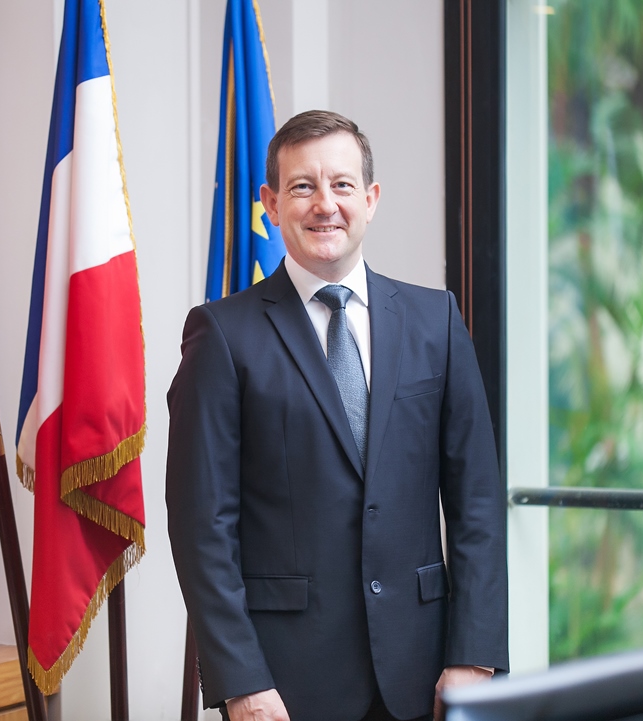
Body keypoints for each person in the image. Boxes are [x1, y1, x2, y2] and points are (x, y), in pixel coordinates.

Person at [165, 110, 508, 721]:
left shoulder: (436, 322)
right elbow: (202, 527)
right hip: (283, 687)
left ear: (370, 200)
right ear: (271, 205)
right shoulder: (221, 335)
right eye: (303, 186)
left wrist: (474, 655)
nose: (326, 204)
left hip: (425, 675)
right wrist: (241, 681)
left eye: (342, 185)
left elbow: (476, 502)